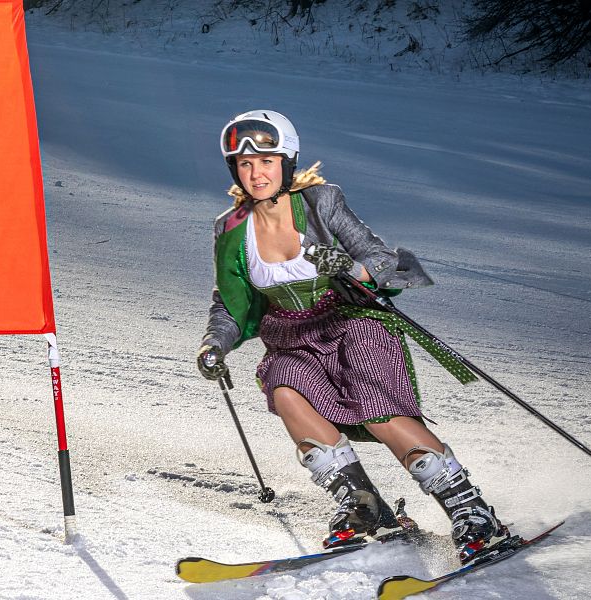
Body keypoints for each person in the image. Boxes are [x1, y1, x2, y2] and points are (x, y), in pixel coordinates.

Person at [196, 110, 512, 563]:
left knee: (377, 409)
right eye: (245, 165)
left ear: (287, 162)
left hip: (351, 323)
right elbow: (230, 300)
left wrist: (347, 266)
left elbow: (382, 260)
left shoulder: (323, 202)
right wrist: (215, 343)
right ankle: (365, 508)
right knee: (284, 389)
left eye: (266, 161)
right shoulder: (231, 228)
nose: (256, 173)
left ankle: (472, 512)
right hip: (289, 334)